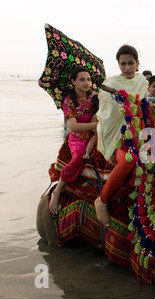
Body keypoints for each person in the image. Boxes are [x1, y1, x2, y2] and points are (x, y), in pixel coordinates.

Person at [94, 44, 149, 227]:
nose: (127, 67)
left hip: (138, 133)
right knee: (128, 161)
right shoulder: (111, 84)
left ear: (137, 63)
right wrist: (121, 104)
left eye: (131, 63)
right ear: (118, 65)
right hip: (117, 138)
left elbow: (145, 109)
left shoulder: (142, 82)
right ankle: (102, 200)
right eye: (123, 63)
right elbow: (106, 116)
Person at [49, 66, 99, 214]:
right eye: (82, 79)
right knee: (77, 158)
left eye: (88, 79)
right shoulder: (68, 102)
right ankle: (58, 190)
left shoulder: (96, 96)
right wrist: (96, 124)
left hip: (95, 136)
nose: (86, 83)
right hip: (78, 139)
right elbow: (73, 126)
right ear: (73, 81)